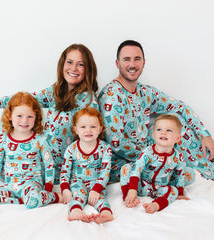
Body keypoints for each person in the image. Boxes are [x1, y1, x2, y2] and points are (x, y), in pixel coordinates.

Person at [0, 44, 99, 184]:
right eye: (69, 62)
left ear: (88, 69)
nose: (73, 68)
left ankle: (4, 172)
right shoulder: (57, 90)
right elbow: (26, 100)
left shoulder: (88, 101)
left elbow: (91, 138)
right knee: (14, 112)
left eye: (80, 64)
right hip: (41, 151)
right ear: (62, 64)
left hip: (57, 164)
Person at [98, 40, 214, 183]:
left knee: (176, 123)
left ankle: (209, 169)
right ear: (117, 63)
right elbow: (116, 143)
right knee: (184, 173)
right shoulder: (111, 95)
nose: (132, 65)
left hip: (148, 151)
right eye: (126, 59)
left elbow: (180, 107)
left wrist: (205, 134)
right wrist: (154, 155)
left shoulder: (144, 92)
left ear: (143, 63)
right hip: (124, 161)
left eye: (137, 59)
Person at [0, 92, 63, 208]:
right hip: (10, 187)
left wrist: (48, 191)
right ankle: (19, 201)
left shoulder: (40, 140)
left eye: (30, 116)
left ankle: (53, 198)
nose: (24, 121)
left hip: (31, 186)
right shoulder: (3, 140)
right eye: (19, 116)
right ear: (10, 116)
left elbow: (49, 166)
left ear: (36, 117)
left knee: (33, 200)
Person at [120, 114, 190, 214]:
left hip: (159, 189)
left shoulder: (178, 156)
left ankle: (156, 205)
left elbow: (180, 174)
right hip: (141, 186)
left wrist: (180, 193)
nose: (163, 132)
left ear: (178, 138)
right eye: (159, 130)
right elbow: (137, 169)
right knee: (126, 168)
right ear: (153, 135)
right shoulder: (148, 152)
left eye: (169, 130)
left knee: (174, 190)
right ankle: (129, 197)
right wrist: (132, 189)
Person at [60, 107, 114, 223]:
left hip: (97, 182)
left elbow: (105, 172)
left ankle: (106, 213)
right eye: (83, 127)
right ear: (76, 130)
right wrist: (65, 189)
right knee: (78, 196)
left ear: (100, 129)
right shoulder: (71, 149)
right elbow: (65, 171)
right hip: (78, 182)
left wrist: (96, 189)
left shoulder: (105, 148)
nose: (88, 130)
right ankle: (75, 212)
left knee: (100, 198)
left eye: (93, 127)